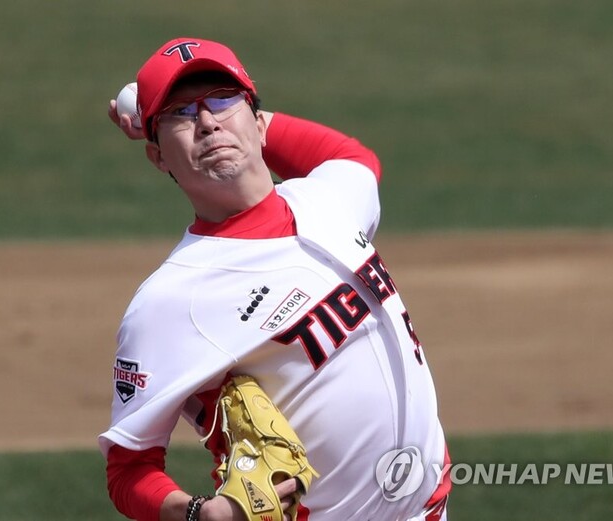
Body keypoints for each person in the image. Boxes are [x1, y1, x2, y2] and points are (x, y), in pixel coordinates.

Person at [99, 37, 451, 521]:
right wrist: (199, 514)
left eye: (222, 100)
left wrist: (171, 119)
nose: (207, 122)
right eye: (181, 114)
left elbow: (353, 155)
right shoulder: (172, 300)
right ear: (158, 158)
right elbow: (128, 468)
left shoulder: (330, 197)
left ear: (260, 122)